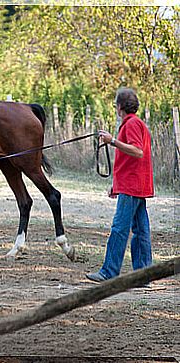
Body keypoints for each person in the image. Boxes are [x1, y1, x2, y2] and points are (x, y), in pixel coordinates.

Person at [86, 87, 154, 284]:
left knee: (119, 229)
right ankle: (143, 275)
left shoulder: (132, 124)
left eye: (116, 104)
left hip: (132, 186)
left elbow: (137, 151)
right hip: (135, 184)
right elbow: (130, 159)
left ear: (120, 106)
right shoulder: (136, 123)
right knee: (141, 231)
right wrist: (116, 185)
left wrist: (112, 141)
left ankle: (109, 272)